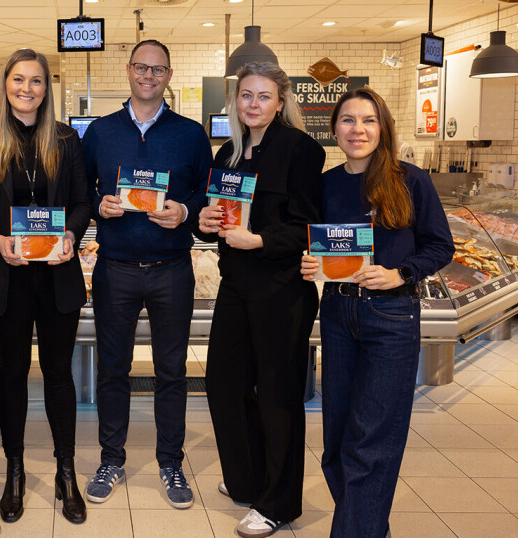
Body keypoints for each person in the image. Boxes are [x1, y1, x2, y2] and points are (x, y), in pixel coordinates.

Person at [300, 88, 454, 538]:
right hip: (338, 314)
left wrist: (401, 273)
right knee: (337, 443)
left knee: (372, 443)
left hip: (392, 318)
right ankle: (368, 526)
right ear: (334, 130)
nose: (358, 130)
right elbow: (322, 247)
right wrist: (310, 263)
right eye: (348, 121)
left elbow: (440, 245)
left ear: (382, 127)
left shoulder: (411, 179)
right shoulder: (326, 184)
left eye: (368, 120)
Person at [195, 61, 325, 538]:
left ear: (281, 100)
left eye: (263, 96)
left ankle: (278, 502)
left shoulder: (301, 150)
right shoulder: (227, 152)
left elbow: (308, 225)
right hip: (235, 285)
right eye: (246, 96)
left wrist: (262, 242)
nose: (253, 104)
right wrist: (204, 224)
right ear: (236, 101)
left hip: (282, 289)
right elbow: (214, 220)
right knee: (224, 385)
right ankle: (247, 480)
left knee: (277, 397)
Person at [81, 39, 211, 510]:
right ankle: (111, 458)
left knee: (171, 372)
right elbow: (83, 190)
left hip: (172, 269)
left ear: (169, 75)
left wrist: (186, 210)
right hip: (114, 269)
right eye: (141, 67)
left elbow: (206, 192)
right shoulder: (99, 131)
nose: (149, 76)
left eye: (158, 70)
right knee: (112, 369)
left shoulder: (191, 133)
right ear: (129, 70)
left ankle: (170, 462)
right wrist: (99, 205)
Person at [0, 48, 91, 525]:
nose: (27, 89)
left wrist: (72, 235)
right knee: (13, 374)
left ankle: (65, 470)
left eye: (36, 81)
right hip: (6, 278)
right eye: (19, 80)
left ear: (46, 88)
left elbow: (82, 201)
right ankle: (14, 469)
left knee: (59, 374)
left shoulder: (66, 139)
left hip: (58, 276)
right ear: (5, 84)